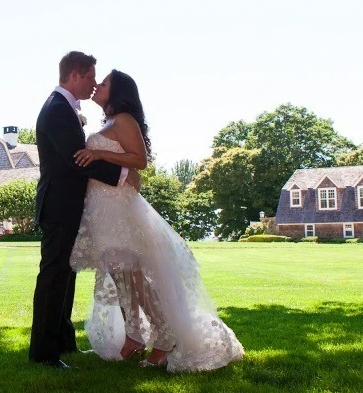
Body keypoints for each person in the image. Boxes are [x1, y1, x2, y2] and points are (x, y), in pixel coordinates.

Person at [71, 69, 244, 372]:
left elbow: (140, 160)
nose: (99, 85)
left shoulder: (124, 119)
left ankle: (164, 338)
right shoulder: (107, 122)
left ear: (119, 91)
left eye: (106, 82)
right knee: (120, 276)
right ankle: (134, 336)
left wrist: (99, 156)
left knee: (136, 278)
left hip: (122, 209)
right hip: (102, 209)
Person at [29, 51, 140, 370]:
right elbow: (77, 161)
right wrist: (122, 176)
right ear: (75, 75)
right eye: (91, 76)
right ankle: (43, 354)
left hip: (67, 205)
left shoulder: (63, 107)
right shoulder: (57, 109)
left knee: (66, 276)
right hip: (60, 206)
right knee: (53, 277)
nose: (94, 83)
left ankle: (64, 343)